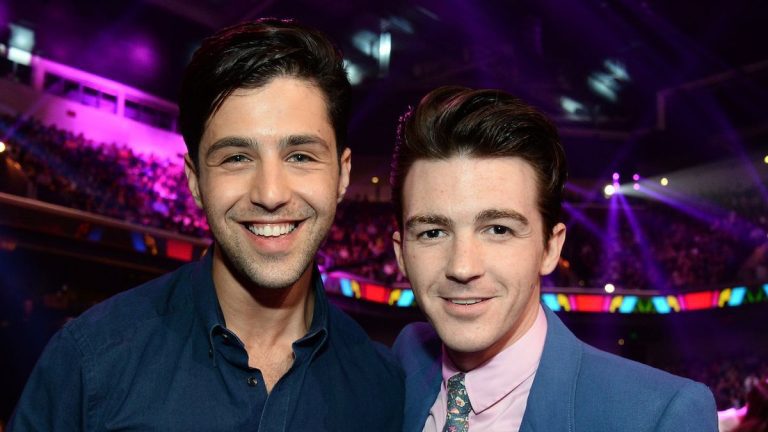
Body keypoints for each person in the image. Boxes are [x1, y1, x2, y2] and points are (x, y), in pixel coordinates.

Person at [9, 18, 404, 431]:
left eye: (301, 156)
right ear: (196, 181)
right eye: (236, 157)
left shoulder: (383, 387)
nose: (270, 193)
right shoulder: (90, 362)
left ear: (342, 175)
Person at [389, 85, 717, 431]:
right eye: (433, 233)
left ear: (550, 248)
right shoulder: (397, 368)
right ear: (401, 253)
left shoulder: (657, 416)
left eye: (499, 229)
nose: (462, 267)